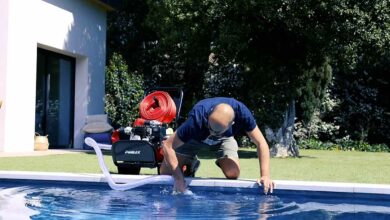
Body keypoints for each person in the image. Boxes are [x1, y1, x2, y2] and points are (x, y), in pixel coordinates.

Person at [160, 97, 275, 194]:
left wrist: (265, 175)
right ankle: (190, 163)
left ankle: (220, 158)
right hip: (194, 138)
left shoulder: (242, 114)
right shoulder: (197, 118)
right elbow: (167, 145)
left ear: (232, 124)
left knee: (233, 173)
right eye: (210, 128)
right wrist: (179, 178)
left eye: (215, 132)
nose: (211, 134)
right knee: (166, 173)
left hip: (224, 139)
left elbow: (261, 142)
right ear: (209, 115)